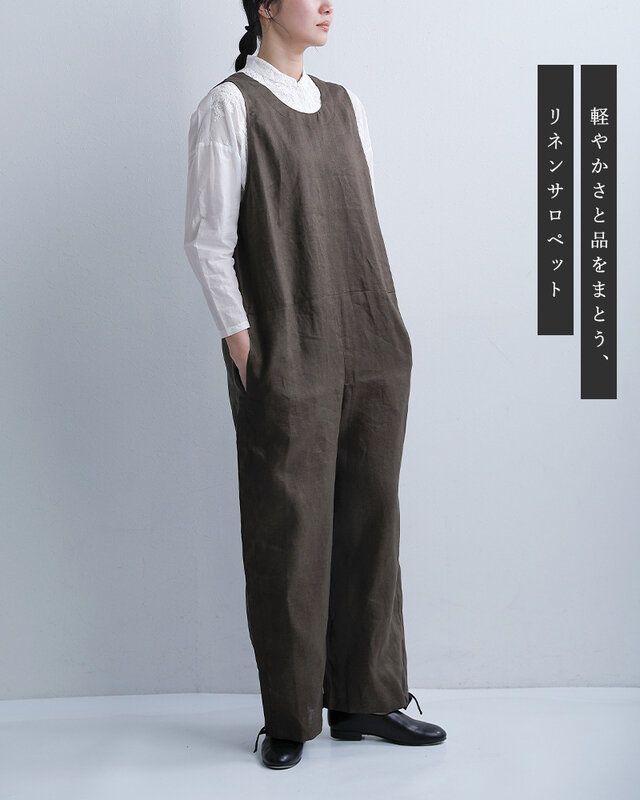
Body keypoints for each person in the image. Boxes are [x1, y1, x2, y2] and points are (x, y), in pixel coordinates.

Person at [183, 0, 446, 770]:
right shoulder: (230, 108)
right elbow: (208, 244)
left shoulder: (346, 103)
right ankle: (291, 717)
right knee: (289, 531)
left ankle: (367, 698)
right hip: (288, 348)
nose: (328, 3)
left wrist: (388, 331)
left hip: (370, 342)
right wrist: (249, 353)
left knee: (372, 525)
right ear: (266, 6)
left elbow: (361, 222)